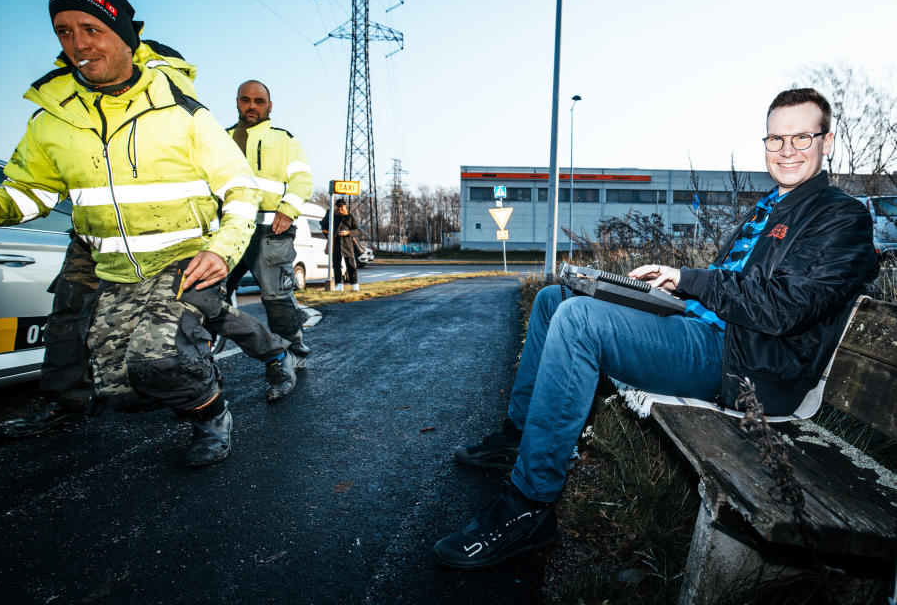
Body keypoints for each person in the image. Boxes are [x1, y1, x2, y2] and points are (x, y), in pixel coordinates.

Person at [433, 88, 880, 569]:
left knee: (580, 321)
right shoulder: (771, 205)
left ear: (827, 141)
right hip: (707, 332)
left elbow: (787, 309)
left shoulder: (841, 217)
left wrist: (689, 279)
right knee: (554, 300)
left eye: (801, 137)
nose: (786, 150)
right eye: (776, 138)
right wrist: (668, 293)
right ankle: (518, 437)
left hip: (748, 367)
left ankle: (529, 506)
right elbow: (735, 285)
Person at [0, 0, 294, 467]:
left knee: (160, 354)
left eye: (91, 28)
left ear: (125, 33)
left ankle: (215, 408)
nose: (77, 44)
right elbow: (34, 190)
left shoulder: (183, 112)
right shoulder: (52, 119)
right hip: (109, 261)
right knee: (123, 386)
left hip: (185, 253)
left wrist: (224, 246)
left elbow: (239, 187)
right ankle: (220, 360)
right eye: (63, 31)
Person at [225, 80, 314, 400]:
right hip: (226, 231)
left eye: (259, 101)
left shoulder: (284, 140)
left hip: (271, 229)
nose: (252, 106)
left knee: (276, 298)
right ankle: (200, 364)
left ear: (270, 106)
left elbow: (302, 179)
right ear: (236, 102)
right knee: (209, 297)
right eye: (246, 100)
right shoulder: (220, 138)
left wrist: (288, 210)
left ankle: (290, 352)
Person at [322, 198, 359, 291]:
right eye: (338, 209)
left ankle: (355, 285)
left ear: (345, 207)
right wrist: (328, 236)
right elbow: (323, 227)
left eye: (342, 208)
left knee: (351, 266)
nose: (340, 210)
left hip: (347, 244)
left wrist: (347, 232)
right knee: (336, 266)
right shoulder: (332, 216)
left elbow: (356, 230)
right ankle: (339, 285)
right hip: (336, 244)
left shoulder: (350, 217)